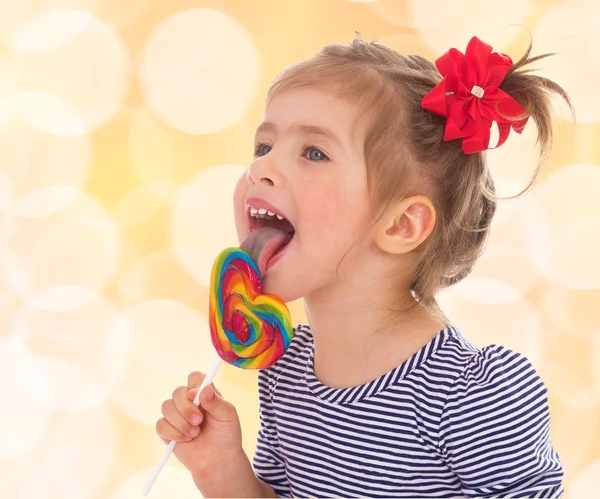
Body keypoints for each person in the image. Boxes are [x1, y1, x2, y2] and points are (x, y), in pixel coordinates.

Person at [155, 34, 570, 498]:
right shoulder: (284, 370)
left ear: (400, 224)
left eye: (314, 152)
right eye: (263, 146)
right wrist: (222, 471)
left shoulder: (470, 396)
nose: (261, 169)